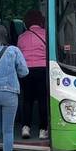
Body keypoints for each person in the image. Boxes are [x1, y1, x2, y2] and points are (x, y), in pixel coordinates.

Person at [17, 10, 48, 140]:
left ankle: (26, 127)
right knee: (42, 100)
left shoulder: (21, 37)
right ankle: (42, 130)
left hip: (26, 71)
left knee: (27, 100)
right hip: (42, 70)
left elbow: (19, 54)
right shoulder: (46, 34)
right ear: (40, 20)